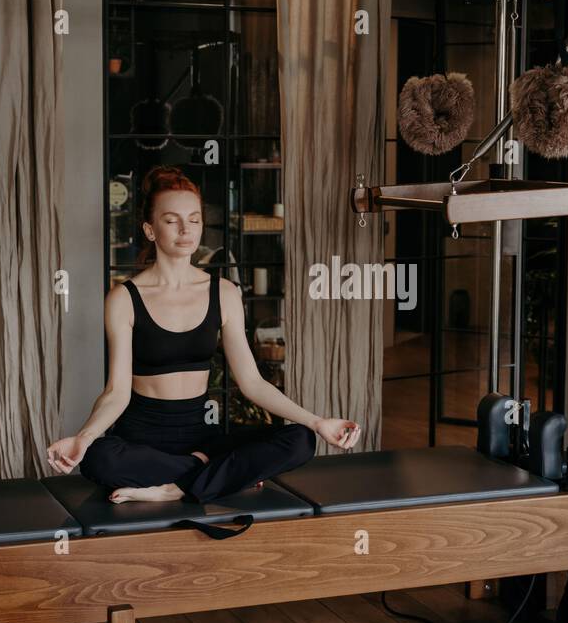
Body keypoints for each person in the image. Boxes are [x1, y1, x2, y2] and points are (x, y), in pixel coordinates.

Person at [46, 166, 360, 503]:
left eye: (194, 219)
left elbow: (252, 383)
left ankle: (175, 488)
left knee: (301, 440)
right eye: (171, 220)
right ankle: (211, 475)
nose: (186, 230)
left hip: (201, 435)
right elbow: (116, 392)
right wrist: (84, 437)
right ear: (150, 230)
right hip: (142, 440)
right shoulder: (124, 298)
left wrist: (318, 422)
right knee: (98, 458)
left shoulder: (223, 293)